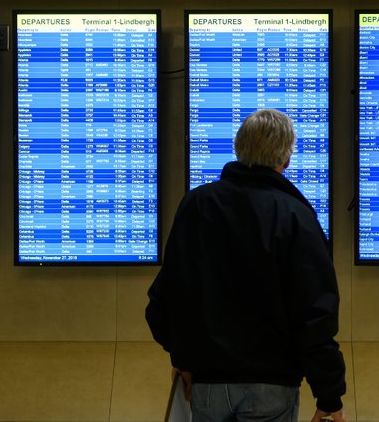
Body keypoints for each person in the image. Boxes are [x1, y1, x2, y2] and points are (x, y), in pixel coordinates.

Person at [146, 108, 346, 422]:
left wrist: (183, 358)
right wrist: (329, 393)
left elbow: (166, 299)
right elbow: (315, 315)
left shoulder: (196, 205)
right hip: (273, 385)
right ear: (286, 160)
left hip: (207, 384)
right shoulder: (296, 216)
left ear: (238, 149)